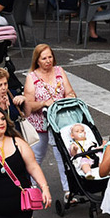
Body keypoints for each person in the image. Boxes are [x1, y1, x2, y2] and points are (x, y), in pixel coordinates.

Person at [23, 44, 75, 199]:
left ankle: (68, 190)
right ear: (37, 61)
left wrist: (70, 97)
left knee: (62, 155)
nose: (48, 61)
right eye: (44, 58)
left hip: (59, 121)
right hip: (40, 122)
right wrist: (43, 103)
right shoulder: (31, 77)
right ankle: (30, 186)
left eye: (50, 57)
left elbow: (70, 91)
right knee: (37, 156)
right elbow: (28, 104)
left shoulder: (59, 71)